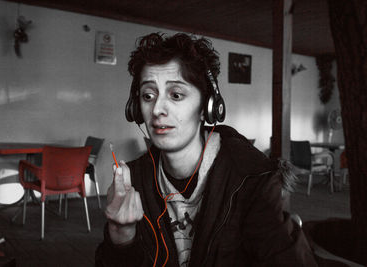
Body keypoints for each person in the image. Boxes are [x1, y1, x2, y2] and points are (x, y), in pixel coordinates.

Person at [95, 32, 317, 266]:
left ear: (207, 107)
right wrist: (121, 233)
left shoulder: (252, 180)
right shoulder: (134, 181)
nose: (157, 109)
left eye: (176, 95)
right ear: (136, 109)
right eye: (148, 95)